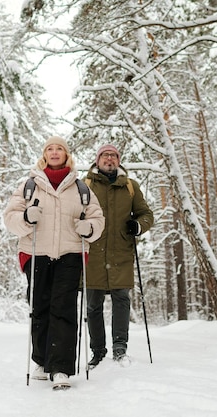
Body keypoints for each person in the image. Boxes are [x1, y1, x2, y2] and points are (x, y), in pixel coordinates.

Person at [3, 136, 105, 390]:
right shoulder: (29, 186)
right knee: (40, 307)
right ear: (44, 155)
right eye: (50, 149)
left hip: (70, 254)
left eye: (60, 148)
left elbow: (97, 219)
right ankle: (41, 360)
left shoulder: (81, 189)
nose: (55, 152)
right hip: (36, 253)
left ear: (67, 155)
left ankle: (60, 368)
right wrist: (26, 216)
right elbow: (10, 218)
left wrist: (88, 228)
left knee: (64, 308)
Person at [84, 144, 154, 367]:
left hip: (120, 253)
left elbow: (146, 214)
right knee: (93, 304)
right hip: (93, 253)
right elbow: (74, 214)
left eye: (114, 156)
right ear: (97, 160)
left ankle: (120, 348)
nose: (109, 159)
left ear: (119, 160)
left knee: (121, 300)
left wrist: (138, 226)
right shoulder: (84, 186)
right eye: (105, 155)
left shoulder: (130, 186)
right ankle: (97, 351)